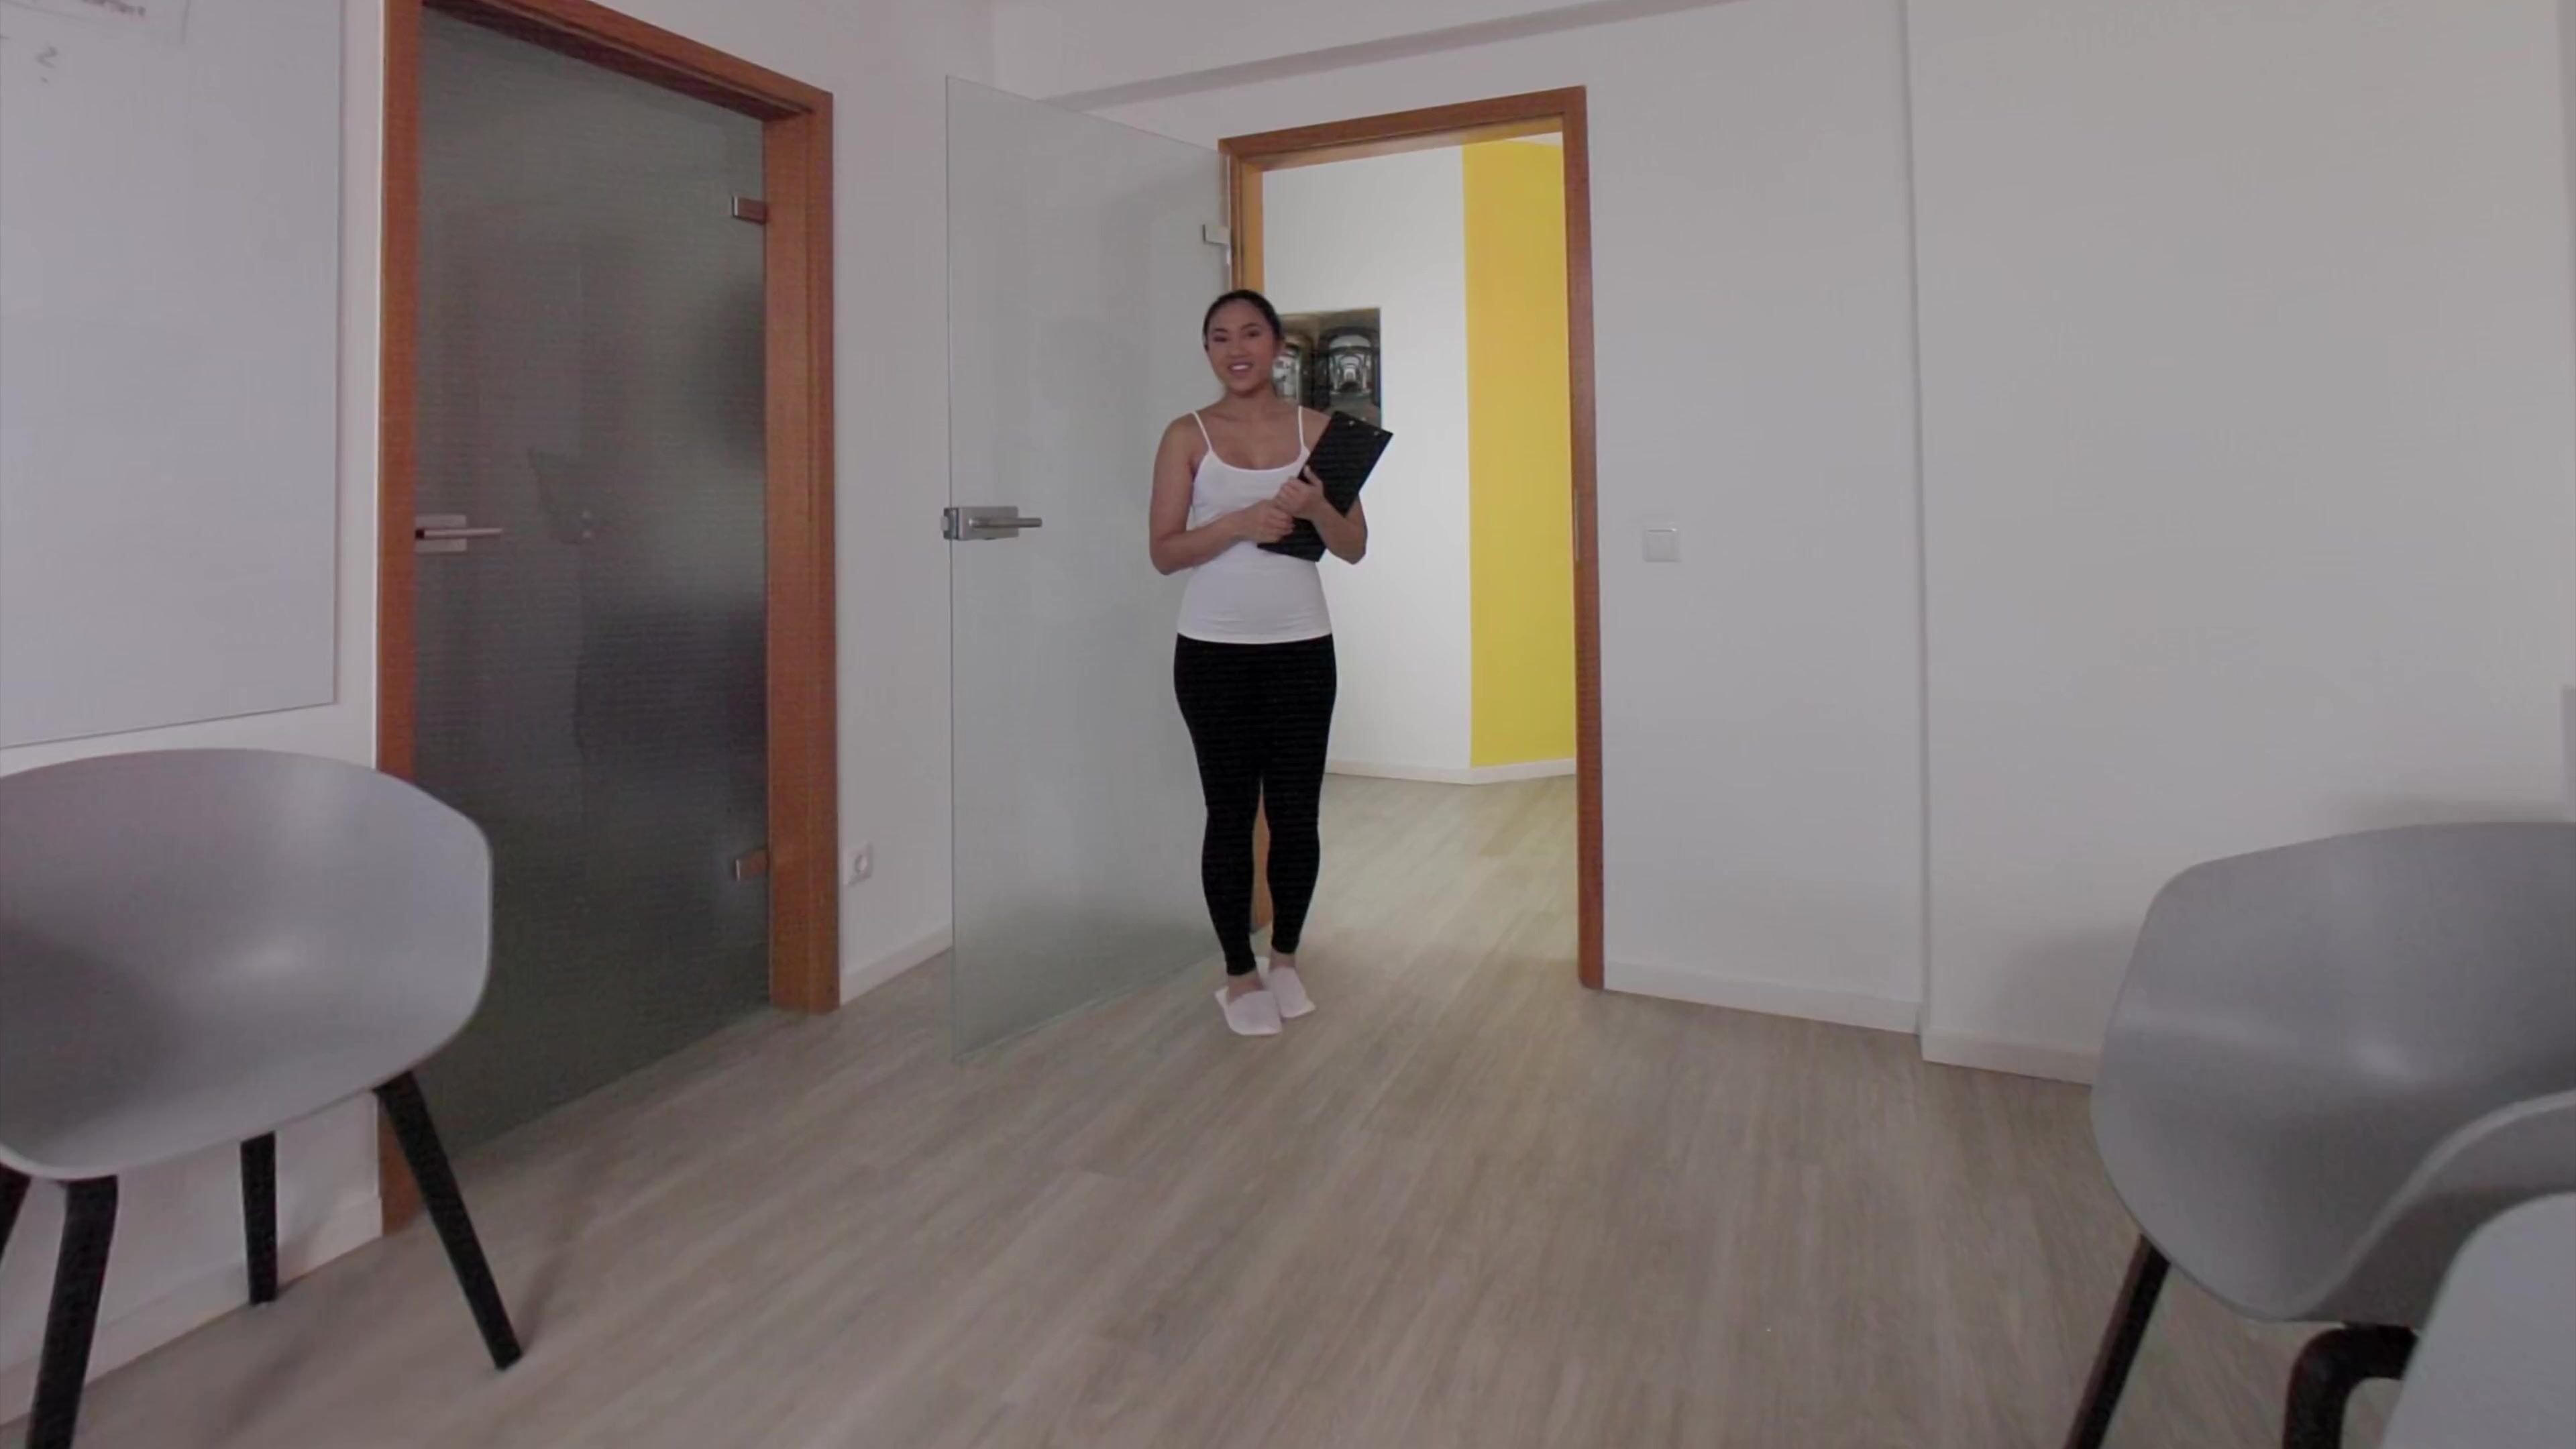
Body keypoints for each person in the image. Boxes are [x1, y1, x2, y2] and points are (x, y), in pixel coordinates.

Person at [1150, 290, 1369, 1036]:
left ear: (1277, 346)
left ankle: (1286, 958)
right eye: (1220, 337)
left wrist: (1315, 510)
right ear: (1208, 350)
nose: (1236, 349)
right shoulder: (1186, 435)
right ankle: (1238, 974)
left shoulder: (1322, 431)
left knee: (1297, 813)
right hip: (1212, 653)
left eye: (1250, 334)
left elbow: (1353, 546)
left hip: (1302, 648)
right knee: (1230, 812)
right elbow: (1164, 552)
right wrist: (1240, 523)